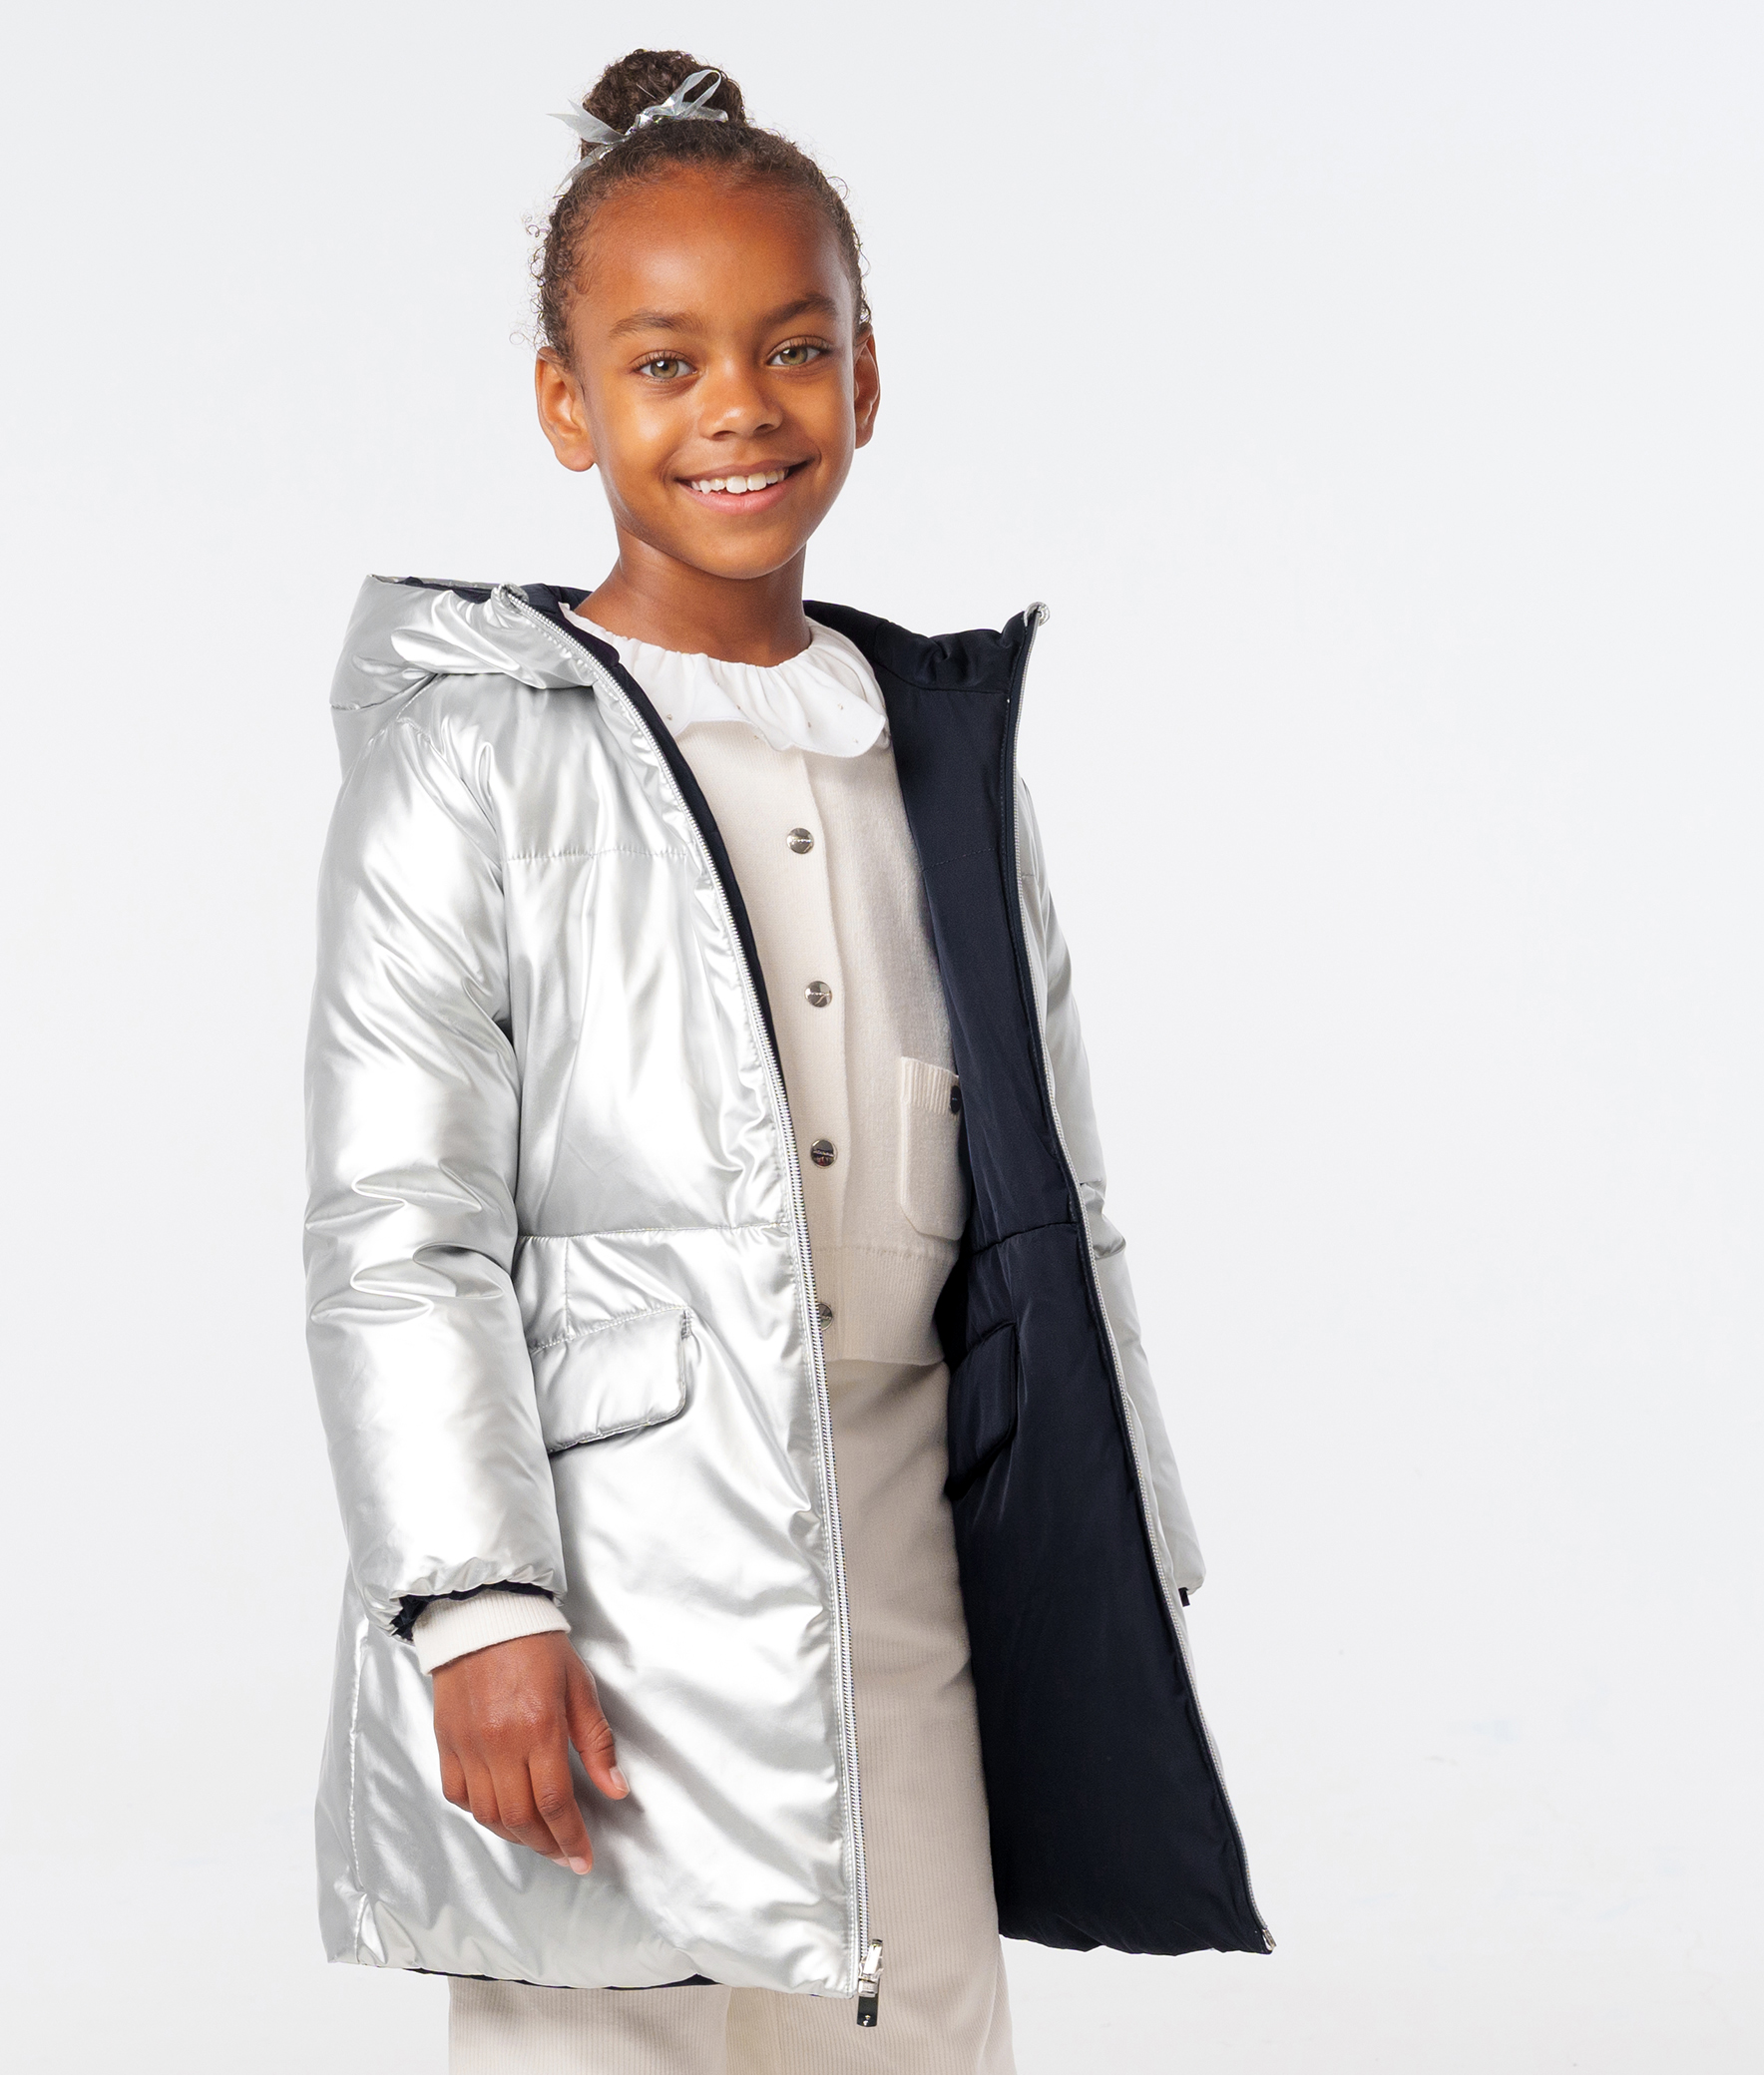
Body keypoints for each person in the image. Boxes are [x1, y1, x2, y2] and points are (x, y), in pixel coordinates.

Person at [303, 49, 1268, 2075]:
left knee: (912, 2023)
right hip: (613, 1576)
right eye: (663, 363)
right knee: (613, 2032)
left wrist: (1126, 1535)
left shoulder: (940, 754)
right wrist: (474, 1606)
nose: (737, 405)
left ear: (865, 374)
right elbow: (402, 1227)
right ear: (567, 404)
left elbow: (1061, 1195)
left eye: (792, 347)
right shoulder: (474, 755)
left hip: (912, 1554)